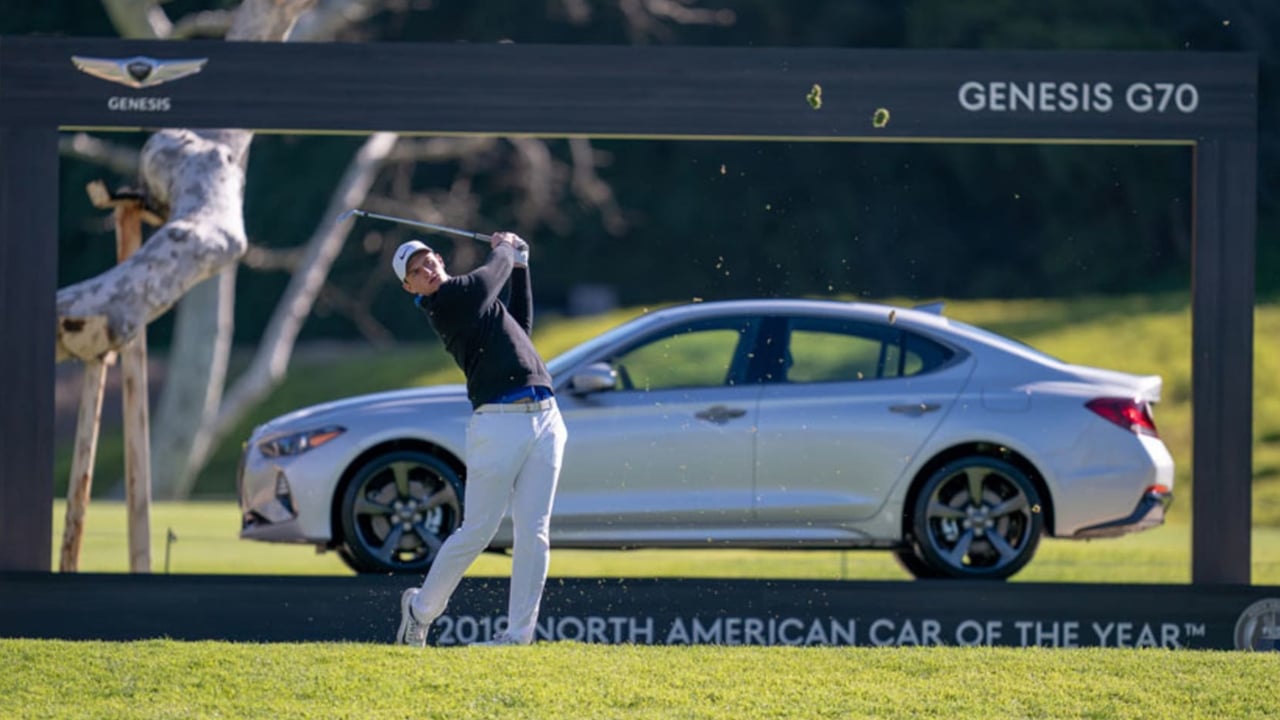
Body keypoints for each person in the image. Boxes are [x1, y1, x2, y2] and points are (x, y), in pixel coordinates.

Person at [391, 230, 568, 647]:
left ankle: (518, 636)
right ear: (410, 288)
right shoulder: (446, 302)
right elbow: (490, 278)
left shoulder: (473, 297)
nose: (426, 271)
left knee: (534, 532)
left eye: (427, 261)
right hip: (498, 423)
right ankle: (420, 611)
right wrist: (507, 249)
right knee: (478, 530)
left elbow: (520, 328)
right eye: (416, 272)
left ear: (438, 257)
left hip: (546, 419)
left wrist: (521, 266)